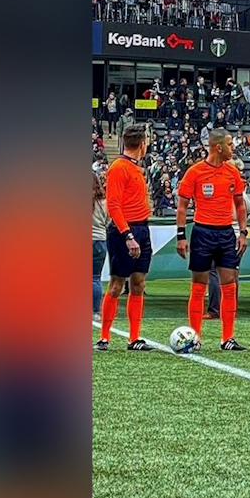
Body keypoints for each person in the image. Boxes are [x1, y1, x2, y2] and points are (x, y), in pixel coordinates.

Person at [175, 129, 248, 352]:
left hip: (226, 233)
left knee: (229, 285)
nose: (233, 147)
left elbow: (240, 204)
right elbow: (182, 206)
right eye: (229, 144)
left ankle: (228, 338)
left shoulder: (232, 172)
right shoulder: (195, 172)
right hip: (202, 232)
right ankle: (194, 337)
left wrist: (243, 232)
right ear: (218, 147)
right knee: (199, 286)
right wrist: (181, 236)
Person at [97, 126, 155, 351]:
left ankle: (134, 338)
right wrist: (128, 235)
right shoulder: (119, 168)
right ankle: (104, 338)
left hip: (142, 227)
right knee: (116, 284)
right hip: (125, 231)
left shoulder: (134, 168)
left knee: (138, 283)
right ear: (143, 144)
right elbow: (113, 205)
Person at [92, 172, 108, 318]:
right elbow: (109, 222)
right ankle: (95, 311)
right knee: (95, 278)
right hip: (100, 241)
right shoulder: (104, 203)